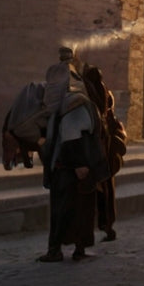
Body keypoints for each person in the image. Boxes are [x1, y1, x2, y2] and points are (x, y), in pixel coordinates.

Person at [37, 47, 110, 262]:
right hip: (71, 168)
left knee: (75, 210)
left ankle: (73, 248)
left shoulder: (71, 102)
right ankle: (60, 249)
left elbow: (68, 135)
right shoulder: (72, 104)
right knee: (68, 210)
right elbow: (70, 136)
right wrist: (79, 164)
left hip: (70, 167)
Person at [82, 65, 128, 241]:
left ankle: (94, 229)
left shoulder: (92, 97)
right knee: (106, 189)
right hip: (106, 151)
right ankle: (107, 226)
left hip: (98, 149)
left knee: (98, 190)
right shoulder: (105, 94)